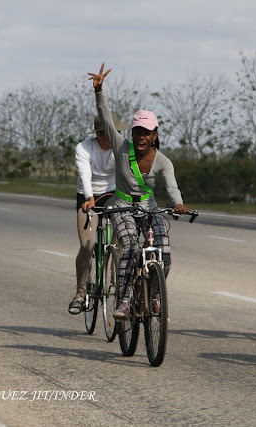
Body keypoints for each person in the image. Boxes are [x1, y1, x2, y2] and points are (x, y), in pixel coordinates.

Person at [88, 63, 190, 320]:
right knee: (131, 245)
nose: (141, 137)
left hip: (149, 208)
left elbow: (171, 186)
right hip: (121, 206)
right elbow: (106, 116)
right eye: (137, 132)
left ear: (155, 135)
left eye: (146, 133)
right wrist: (99, 91)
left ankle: (155, 296)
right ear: (131, 133)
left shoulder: (163, 161)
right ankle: (123, 301)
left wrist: (178, 204)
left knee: (164, 250)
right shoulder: (120, 147)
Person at [69, 113, 129, 315]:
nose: (116, 135)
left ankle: (117, 273)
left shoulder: (122, 147)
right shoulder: (84, 148)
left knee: (122, 233)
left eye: (118, 131)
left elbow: (128, 173)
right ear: (100, 134)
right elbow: (84, 174)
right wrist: (89, 197)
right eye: (112, 132)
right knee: (88, 245)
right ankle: (80, 293)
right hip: (88, 196)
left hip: (113, 192)